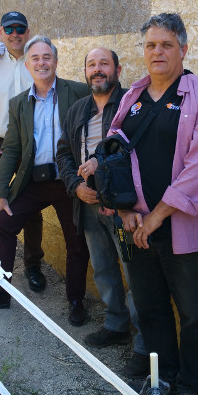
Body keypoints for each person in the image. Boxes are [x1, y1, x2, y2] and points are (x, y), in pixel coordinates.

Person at [81, 13, 198, 395]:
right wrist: (126, 210)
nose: (157, 51)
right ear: (143, 51)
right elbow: (114, 150)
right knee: (150, 307)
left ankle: (192, 386)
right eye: (150, 45)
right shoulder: (133, 96)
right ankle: (161, 378)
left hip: (181, 230)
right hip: (134, 226)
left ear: (183, 48)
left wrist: (156, 217)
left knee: (194, 314)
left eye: (166, 44)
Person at [0, 36, 92, 327]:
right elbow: (11, 151)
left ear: (55, 62)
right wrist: (0, 195)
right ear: (28, 65)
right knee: (0, 221)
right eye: (35, 58)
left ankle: (75, 301)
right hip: (33, 181)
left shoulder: (79, 92)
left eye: (47, 57)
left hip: (69, 182)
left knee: (76, 241)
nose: (41, 62)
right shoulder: (19, 104)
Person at [55, 47, 149, 377]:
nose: (97, 70)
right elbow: (63, 152)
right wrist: (74, 186)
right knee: (104, 270)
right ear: (85, 72)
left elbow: (136, 151)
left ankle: (143, 344)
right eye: (91, 64)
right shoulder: (77, 109)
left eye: (104, 64)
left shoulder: (132, 104)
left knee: (135, 275)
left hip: (122, 207)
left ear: (117, 69)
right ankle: (116, 324)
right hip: (89, 205)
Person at [0, 11, 46, 294]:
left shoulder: (37, 62)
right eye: (9, 29)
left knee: (32, 209)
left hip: (32, 147)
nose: (15, 34)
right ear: (0, 33)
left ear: (28, 32)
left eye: (21, 29)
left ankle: (33, 265)